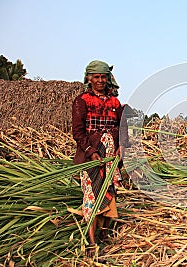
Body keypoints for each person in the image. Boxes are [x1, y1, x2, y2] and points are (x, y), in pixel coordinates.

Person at [72, 60, 128, 251]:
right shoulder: (82, 101)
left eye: (103, 77)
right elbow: (78, 132)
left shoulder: (115, 102)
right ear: (89, 78)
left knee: (109, 193)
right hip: (91, 158)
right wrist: (91, 151)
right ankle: (91, 241)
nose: (100, 80)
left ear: (108, 79)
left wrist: (122, 147)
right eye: (96, 77)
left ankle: (104, 233)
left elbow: (123, 128)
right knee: (91, 195)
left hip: (111, 159)